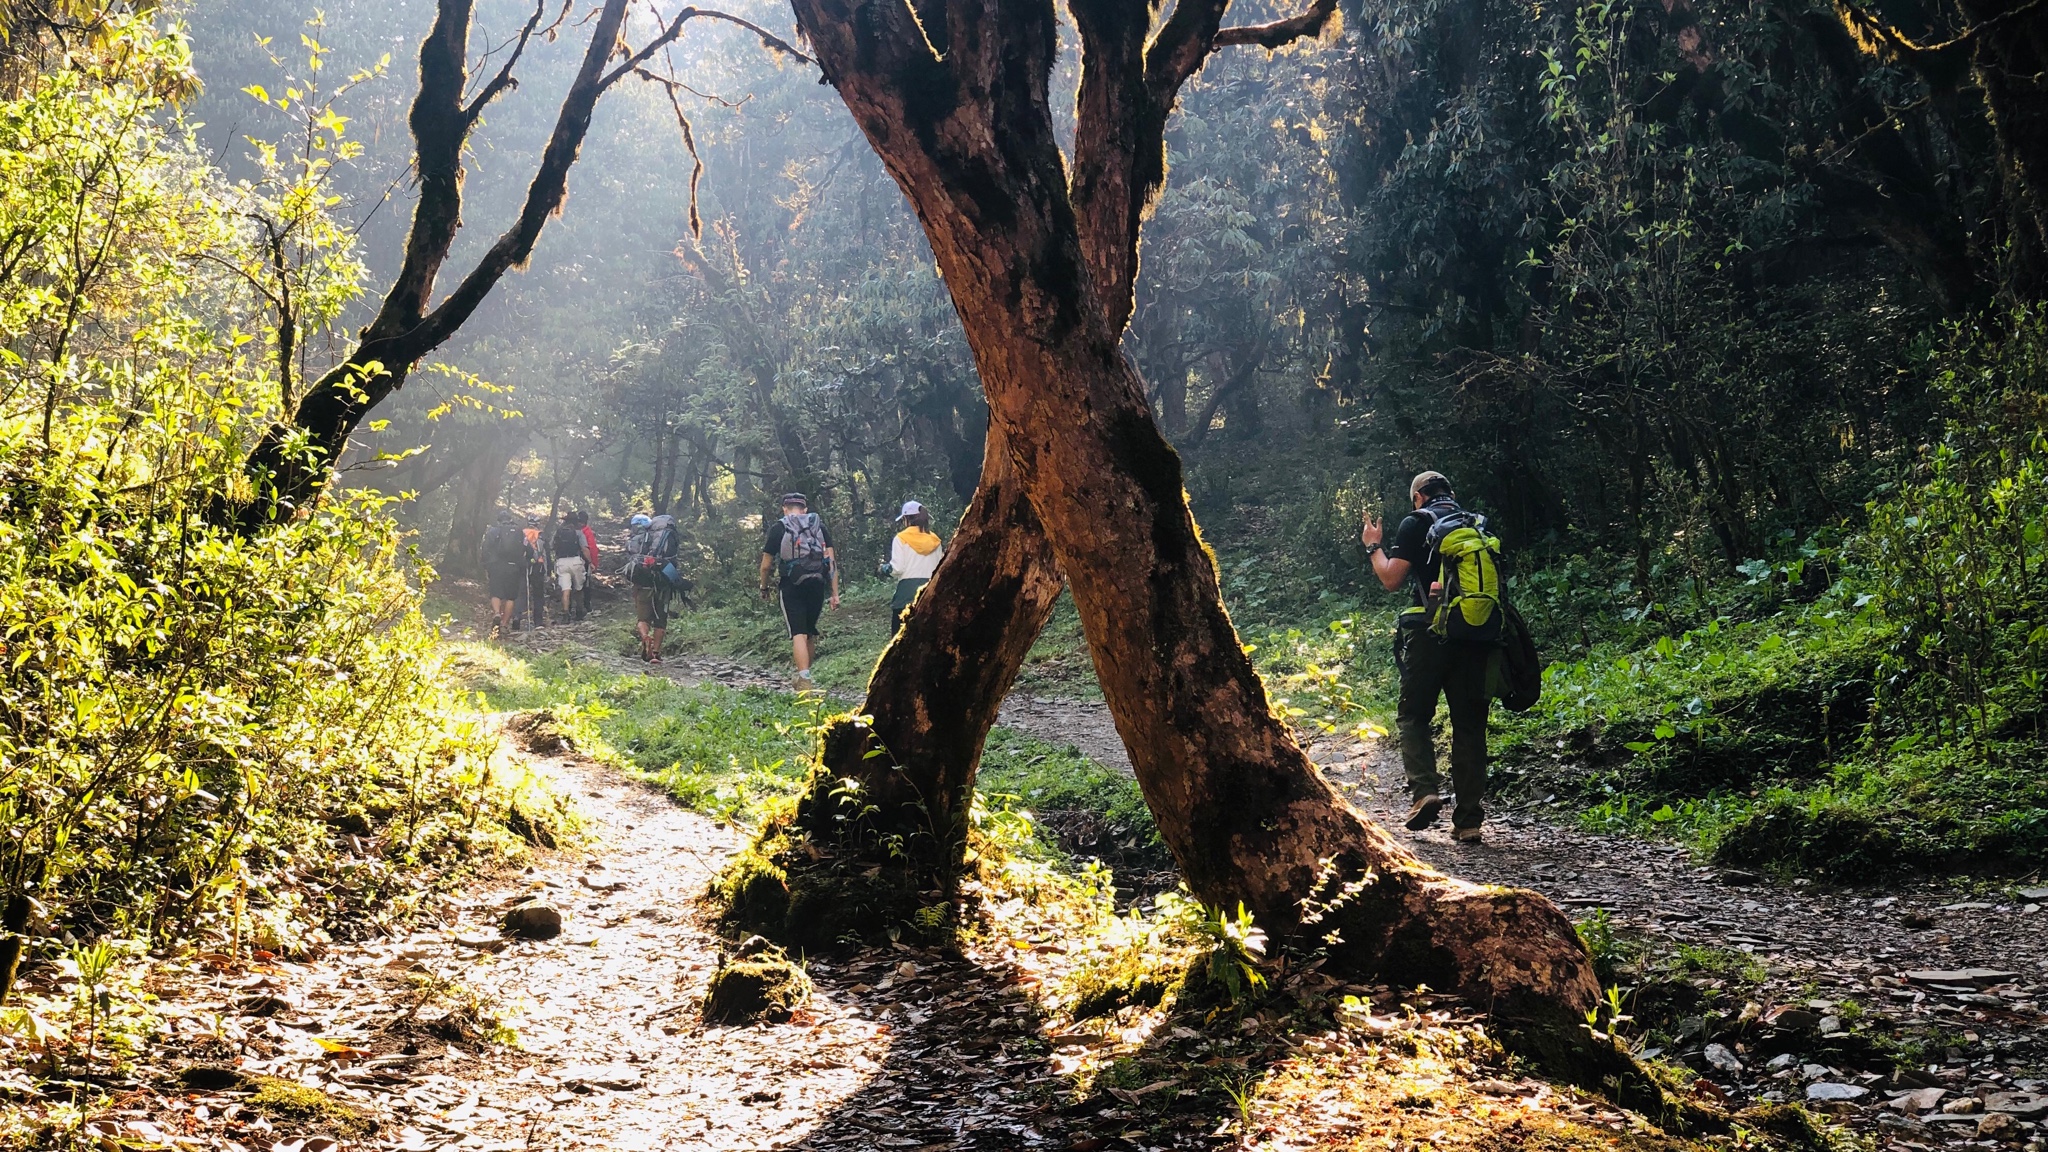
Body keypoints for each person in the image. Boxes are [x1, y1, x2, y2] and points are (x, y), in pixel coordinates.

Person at [1360, 470, 1492, 845]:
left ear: (1418, 496)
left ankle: (1425, 791)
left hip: (1429, 633)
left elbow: (1391, 579)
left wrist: (1373, 546)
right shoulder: (1476, 525)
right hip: (1476, 634)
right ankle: (1469, 822)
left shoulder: (1416, 523)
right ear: (1450, 493)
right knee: (1469, 726)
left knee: (1413, 714)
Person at [757, 493, 838, 690]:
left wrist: (764, 587)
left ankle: (804, 679)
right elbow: (831, 562)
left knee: (798, 633)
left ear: (785, 508)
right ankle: (806, 676)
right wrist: (834, 593)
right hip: (817, 584)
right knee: (809, 632)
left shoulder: (779, 527)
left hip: (791, 584)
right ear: (805, 509)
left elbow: (766, 565)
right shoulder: (818, 525)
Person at [887, 500, 944, 635]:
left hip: (906, 594)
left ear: (906, 519)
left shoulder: (900, 538)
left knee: (900, 638)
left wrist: (884, 569)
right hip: (931, 592)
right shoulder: (935, 540)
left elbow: (897, 568)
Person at [623, 512, 664, 663]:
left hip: (641, 585)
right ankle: (656, 652)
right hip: (662, 585)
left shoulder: (632, 542)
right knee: (660, 621)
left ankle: (646, 637)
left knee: (642, 619)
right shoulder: (658, 540)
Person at [481, 510, 525, 637]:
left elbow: (486, 548)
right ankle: (505, 624)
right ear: (510, 519)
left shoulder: (493, 531)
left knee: (496, 593)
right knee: (510, 597)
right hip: (513, 567)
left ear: (498, 520)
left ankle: (496, 613)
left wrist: (485, 564)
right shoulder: (518, 532)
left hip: (496, 565)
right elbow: (525, 549)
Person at [551, 512, 587, 621]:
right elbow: (585, 549)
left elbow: (552, 546)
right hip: (575, 561)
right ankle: (579, 611)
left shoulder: (558, 532)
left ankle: (566, 614)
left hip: (562, 562)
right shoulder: (578, 532)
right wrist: (591, 562)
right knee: (579, 587)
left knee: (565, 590)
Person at [522, 513, 551, 629]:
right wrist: (549, 572)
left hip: (524, 567)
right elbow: (547, 556)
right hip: (538, 568)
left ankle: (517, 617)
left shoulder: (522, 535)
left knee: (522, 592)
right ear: (538, 524)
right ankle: (538, 620)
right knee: (538, 595)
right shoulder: (542, 536)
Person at [575, 510, 600, 620]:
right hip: (584, 561)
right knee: (585, 584)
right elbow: (592, 548)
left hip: (570, 559)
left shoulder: (572, 530)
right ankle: (586, 606)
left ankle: (571, 607)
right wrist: (593, 563)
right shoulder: (587, 531)